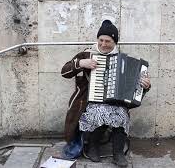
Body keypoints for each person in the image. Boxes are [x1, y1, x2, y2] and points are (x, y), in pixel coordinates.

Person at [61, 20, 151, 167]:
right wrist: (81, 64)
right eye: (101, 40)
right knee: (99, 111)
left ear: (114, 42)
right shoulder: (86, 54)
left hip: (114, 102)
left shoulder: (122, 59)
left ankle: (118, 153)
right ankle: (93, 147)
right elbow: (64, 72)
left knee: (121, 114)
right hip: (88, 102)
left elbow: (133, 86)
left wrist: (145, 85)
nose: (103, 44)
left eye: (108, 41)